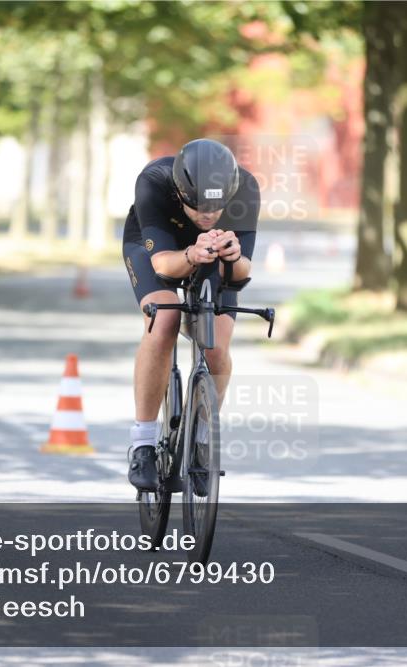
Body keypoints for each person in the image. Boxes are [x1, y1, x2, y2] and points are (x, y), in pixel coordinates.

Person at [122, 138, 260, 491]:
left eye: (216, 208)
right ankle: (143, 444)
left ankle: (201, 438)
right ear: (180, 191)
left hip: (214, 254)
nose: (207, 216)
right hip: (160, 248)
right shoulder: (154, 181)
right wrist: (190, 256)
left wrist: (232, 256)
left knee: (216, 346)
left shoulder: (245, 188)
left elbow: (242, 273)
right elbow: (163, 265)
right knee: (164, 321)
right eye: (197, 207)